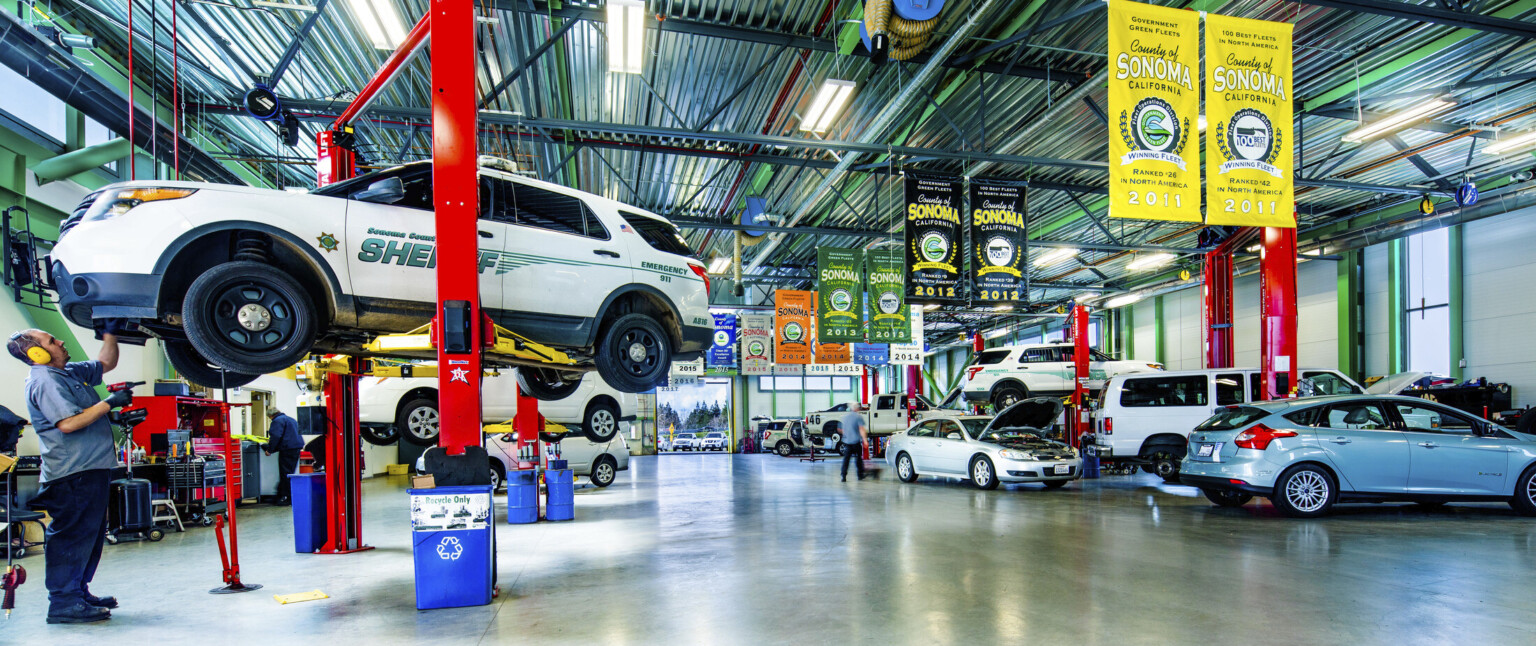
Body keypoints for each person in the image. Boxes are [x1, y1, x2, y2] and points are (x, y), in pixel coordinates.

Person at [9, 325, 128, 624]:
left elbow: (105, 364)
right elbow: (68, 424)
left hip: (91, 469)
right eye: (51, 340)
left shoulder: (68, 372)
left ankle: (77, 592)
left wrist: (110, 333)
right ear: (36, 353)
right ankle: (63, 602)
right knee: (71, 537)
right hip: (72, 473)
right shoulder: (45, 380)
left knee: (89, 536)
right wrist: (108, 404)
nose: (60, 341)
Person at [263, 408, 304, 506]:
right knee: (289, 473)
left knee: (285, 473)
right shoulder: (291, 419)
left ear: (271, 416)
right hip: (296, 448)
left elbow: (276, 436)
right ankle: (281, 495)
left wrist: (269, 450)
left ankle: (285, 498)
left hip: (287, 449)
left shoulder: (277, 421)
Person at [840, 402, 869, 482]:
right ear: (856, 408)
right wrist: (865, 440)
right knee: (858, 459)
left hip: (847, 442)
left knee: (846, 460)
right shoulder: (858, 416)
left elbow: (842, 430)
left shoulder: (845, 417)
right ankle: (860, 475)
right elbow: (861, 429)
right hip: (855, 441)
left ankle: (843, 476)